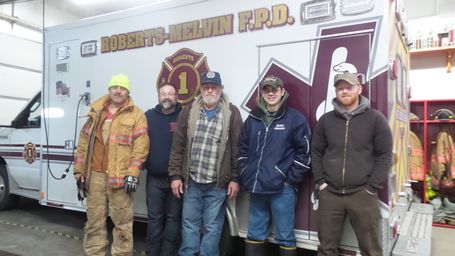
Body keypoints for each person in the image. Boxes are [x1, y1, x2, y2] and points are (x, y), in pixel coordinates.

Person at [311, 71, 393, 256]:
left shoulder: (375, 119)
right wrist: (321, 182)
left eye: (349, 87)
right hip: (330, 194)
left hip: (363, 194)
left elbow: (385, 155)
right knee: (326, 248)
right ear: (336, 92)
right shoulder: (326, 121)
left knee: (371, 249)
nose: (344, 91)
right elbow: (315, 152)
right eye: (340, 88)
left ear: (359, 89)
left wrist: (372, 187)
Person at [168, 71, 243, 256]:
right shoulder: (188, 111)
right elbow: (178, 146)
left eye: (214, 87)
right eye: (206, 87)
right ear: (201, 89)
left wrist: (235, 178)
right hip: (192, 181)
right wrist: (176, 175)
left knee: (213, 227)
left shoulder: (232, 113)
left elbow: (238, 149)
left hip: (217, 184)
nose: (210, 90)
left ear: (220, 89)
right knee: (189, 224)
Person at [74, 73, 149, 256]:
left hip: (120, 178)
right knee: (94, 222)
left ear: (127, 91)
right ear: (109, 89)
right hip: (95, 176)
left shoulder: (136, 115)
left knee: (123, 224)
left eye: (122, 88)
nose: (118, 91)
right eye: (115, 87)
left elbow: (141, 148)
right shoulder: (96, 112)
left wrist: (133, 173)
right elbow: (83, 143)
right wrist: (79, 171)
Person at [238, 75, 311, 256]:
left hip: (282, 190)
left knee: (285, 236)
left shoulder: (295, 119)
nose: (271, 93)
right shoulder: (253, 118)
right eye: (267, 90)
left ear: (282, 92)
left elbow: (305, 152)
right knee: (255, 234)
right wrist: (246, 173)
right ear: (262, 93)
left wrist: (289, 180)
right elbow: (242, 149)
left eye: (274, 90)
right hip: (257, 187)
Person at [144, 82, 183, 256]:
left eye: (170, 93)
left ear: (176, 96)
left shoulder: (184, 116)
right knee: (154, 219)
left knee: (174, 219)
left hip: (177, 180)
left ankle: (168, 253)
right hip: (154, 179)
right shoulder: (148, 116)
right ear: (158, 96)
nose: (166, 96)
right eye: (163, 93)